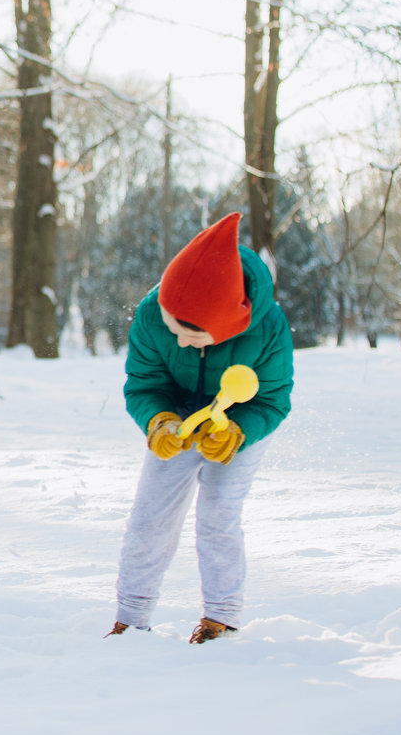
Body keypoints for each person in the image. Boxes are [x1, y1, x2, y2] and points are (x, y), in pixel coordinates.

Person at [107, 211, 292, 644]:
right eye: (173, 330)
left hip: (240, 423)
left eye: (192, 336)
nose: (180, 341)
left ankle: (221, 617)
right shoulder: (154, 313)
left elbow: (273, 398)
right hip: (178, 420)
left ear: (228, 324)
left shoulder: (267, 327)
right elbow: (145, 382)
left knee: (218, 512)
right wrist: (158, 421)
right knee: (150, 516)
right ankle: (131, 618)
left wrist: (237, 432)